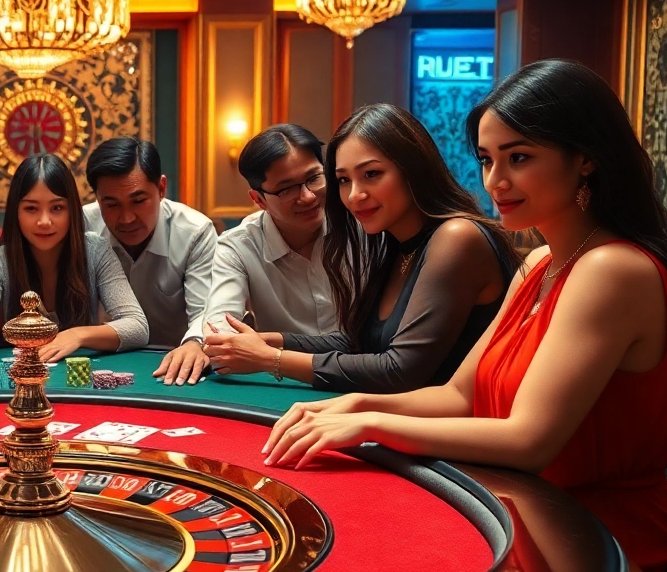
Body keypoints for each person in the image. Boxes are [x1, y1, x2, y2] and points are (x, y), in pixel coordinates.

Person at [262, 59, 667, 572]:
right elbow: (457, 396)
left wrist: (373, 424)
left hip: (597, 544)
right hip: (519, 513)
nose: (496, 181)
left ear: (585, 159)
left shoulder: (612, 269)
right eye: (487, 160)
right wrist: (356, 402)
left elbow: (529, 440)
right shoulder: (539, 262)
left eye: (519, 158)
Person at [204, 104, 518, 393]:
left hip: (461, 437)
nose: (355, 195)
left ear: (413, 168)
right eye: (343, 180)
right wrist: (273, 341)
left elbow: (400, 370)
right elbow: (362, 343)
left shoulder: (456, 237)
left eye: (371, 174)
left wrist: (272, 359)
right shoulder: (394, 241)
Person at [0, 154, 149, 387]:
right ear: (16, 212)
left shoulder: (95, 251)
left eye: (57, 208)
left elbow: (137, 326)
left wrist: (77, 335)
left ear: (72, 210)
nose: (44, 221)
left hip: (78, 388)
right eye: (31, 209)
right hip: (21, 386)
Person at [83, 137, 217, 386]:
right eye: (111, 204)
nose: (126, 218)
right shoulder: (82, 226)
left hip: (173, 366)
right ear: (97, 198)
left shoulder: (194, 232)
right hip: (99, 364)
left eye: (138, 201)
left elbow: (206, 311)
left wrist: (194, 342)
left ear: (162, 188)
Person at [205, 124, 336, 344]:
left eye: (314, 178)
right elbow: (219, 333)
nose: (308, 197)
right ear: (258, 200)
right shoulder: (238, 247)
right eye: (287, 189)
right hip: (279, 377)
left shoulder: (359, 226)